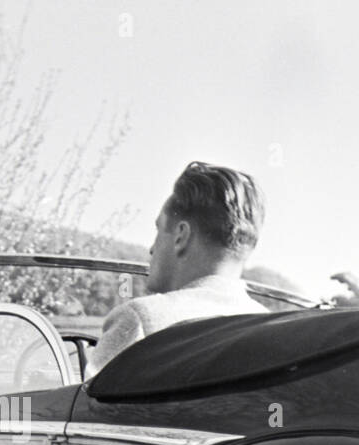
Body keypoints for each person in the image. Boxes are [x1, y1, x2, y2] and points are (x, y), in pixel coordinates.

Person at [84, 161, 269, 378]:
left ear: (181, 236)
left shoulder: (140, 320)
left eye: (159, 230)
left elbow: (85, 411)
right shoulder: (273, 331)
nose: (152, 249)